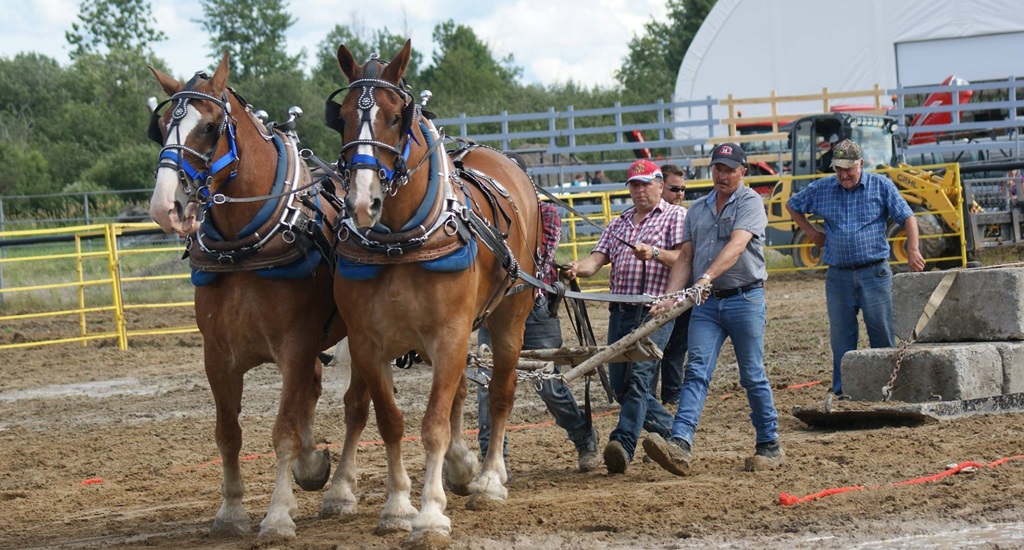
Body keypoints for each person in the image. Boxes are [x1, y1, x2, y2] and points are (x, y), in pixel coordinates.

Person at [643, 142, 783, 476]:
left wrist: (706, 277)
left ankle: (770, 444)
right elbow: (686, 259)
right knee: (696, 372)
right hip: (707, 303)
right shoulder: (697, 210)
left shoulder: (751, 203)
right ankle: (680, 444)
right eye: (717, 168)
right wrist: (671, 296)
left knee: (751, 374)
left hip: (745, 298)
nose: (721, 175)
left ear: (742, 172)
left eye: (728, 169)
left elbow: (737, 247)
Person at [562, 158, 687, 475]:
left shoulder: (676, 217)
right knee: (619, 386)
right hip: (620, 311)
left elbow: (685, 260)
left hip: (656, 310)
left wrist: (655, 252)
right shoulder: (618, 223)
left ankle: (622, 444)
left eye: (646, 183)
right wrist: (577, 267)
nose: (640, 190)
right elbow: (595, 261)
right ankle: (676, 434)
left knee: (639, 380)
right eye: (634, 184)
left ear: (660, 185)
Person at [785, 139, 925, 397]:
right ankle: (842, 392)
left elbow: (908, 217)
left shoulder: (880, 185)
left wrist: (913, 250)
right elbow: (792, 205)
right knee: (841, 339)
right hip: (838, 275)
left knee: (881, 335)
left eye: (849, 168)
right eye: (838, 169)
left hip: (874, 272)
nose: (844, 174)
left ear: (861, 164)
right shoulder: (823, 188)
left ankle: (887, 390)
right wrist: (813, 233)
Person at [476, 200, 601, 472]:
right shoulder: (485, 210)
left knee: (548, 384)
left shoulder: (544, 212)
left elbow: (537, 261)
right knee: (486, 384)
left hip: (534, 307)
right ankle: (492, 456)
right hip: (494, 310)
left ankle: (584, 437)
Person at [653, 163, 690, 405]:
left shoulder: (684, 214)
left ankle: (671, 394)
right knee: (658, 347)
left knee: (676, 347)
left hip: (684, 292)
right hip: (660, 292)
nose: (679, 194)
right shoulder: (664, 217)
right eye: (675, 189)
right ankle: (655, 395)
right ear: (663, 187)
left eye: (683, 189)